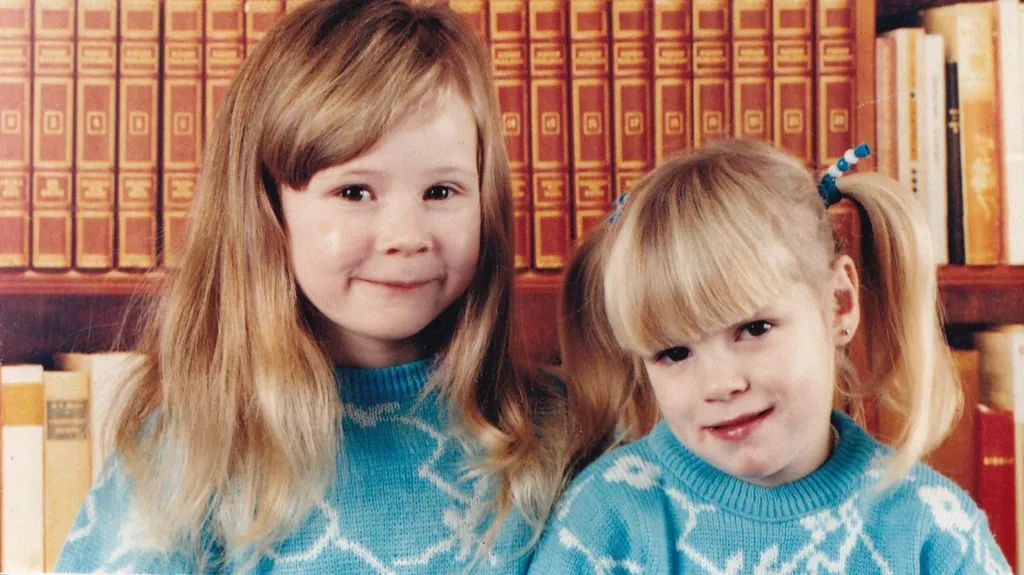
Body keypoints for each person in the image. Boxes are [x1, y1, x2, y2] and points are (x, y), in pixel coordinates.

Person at [55, 1, 581, 572]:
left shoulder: (556, 432)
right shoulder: (191, 453)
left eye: (441, 192)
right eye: (355, 192)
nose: (407, 236)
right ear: (268, 209)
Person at [530, 139, 1011, 573]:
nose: (720, 383)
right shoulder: (605, 525)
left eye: (753, 329)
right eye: (675, 352)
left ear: (839, 302)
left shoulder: (935, 531)